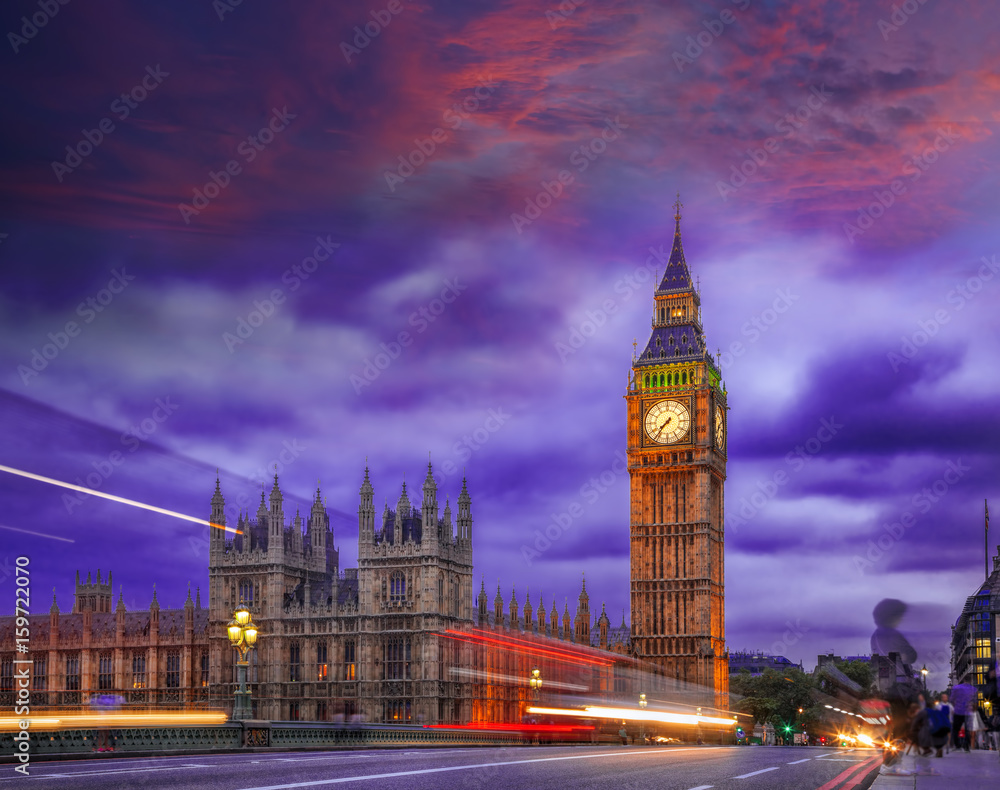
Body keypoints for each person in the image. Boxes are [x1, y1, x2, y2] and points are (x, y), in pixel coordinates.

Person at [950, 682, 976, 752]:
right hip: (967, 711)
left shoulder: (956, 689)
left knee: (955, 729)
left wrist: (955, 705)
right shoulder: (972, 689)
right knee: (967, 729)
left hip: (958, 711)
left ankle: (957, 745)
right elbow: (974, 701)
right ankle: (966, 746)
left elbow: (952, 699)